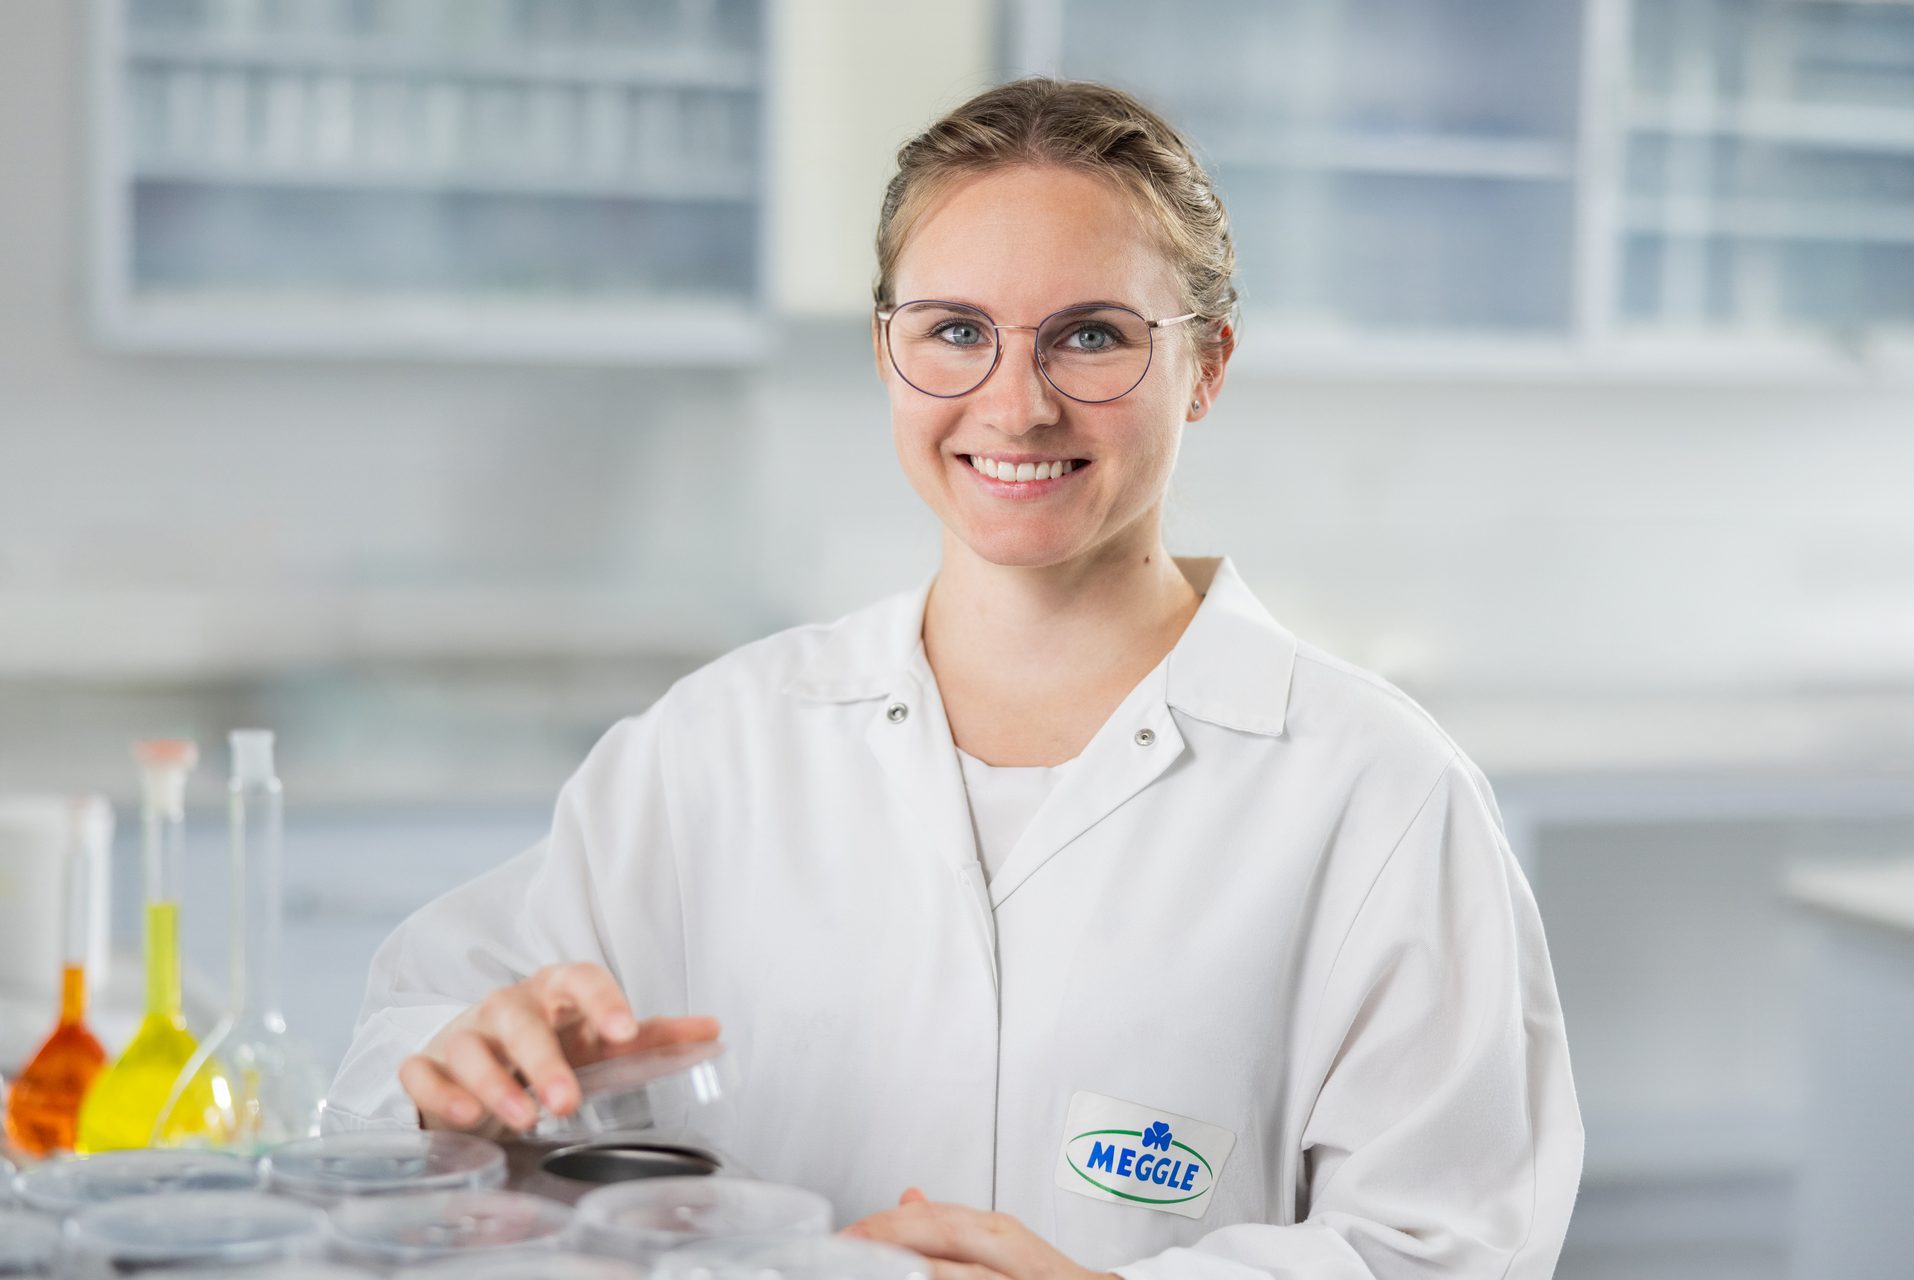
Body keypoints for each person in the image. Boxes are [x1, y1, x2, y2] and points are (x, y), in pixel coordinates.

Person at [327, 78, 1583, 1280]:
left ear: (1207, 364)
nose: (1017, 403)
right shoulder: (717, 749)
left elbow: (1457, 1245)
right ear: (887, 353)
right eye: (957, 332)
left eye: (1092, 335)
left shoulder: (1378, 794)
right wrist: (457, 1074)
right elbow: (407, 1050)